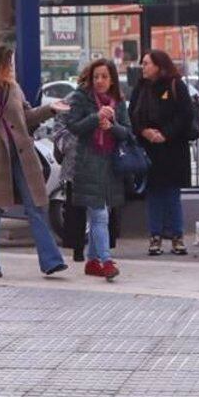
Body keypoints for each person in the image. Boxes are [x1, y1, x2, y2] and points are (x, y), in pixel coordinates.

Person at [0, 45, 67, 278]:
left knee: (36, 207)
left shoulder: (13, 88)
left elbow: (27, 116)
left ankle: (51, 261)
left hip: (23, 156)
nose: (10, 69)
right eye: (7, 64)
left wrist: (50, 109)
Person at [62, 57, 131, 281]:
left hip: (110, 164)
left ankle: (92, 261)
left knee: (102, 214)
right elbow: (73, 126)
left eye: (104, 77)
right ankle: (106, 261)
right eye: (96, 77)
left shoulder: (118, 101)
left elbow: (127, 133)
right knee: (99, 214)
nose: (100, 81)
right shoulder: (81, 98)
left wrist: (112, 126)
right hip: (87, 163)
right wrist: (96, 117)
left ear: (112, 79)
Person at [130, 49, 195, 257]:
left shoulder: (176, 85)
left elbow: (185, 115)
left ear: (159, 65)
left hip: (173, 149)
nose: (143, 67)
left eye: (147, 63)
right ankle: (155, 236)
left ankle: (177, 236)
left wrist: (165, 134)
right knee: (153, 195)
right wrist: (144, 131)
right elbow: (132, 115)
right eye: (143, 63)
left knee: (172, 194)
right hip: (149, 150)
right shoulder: (141, 88)